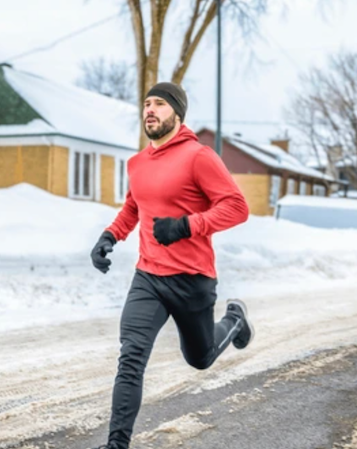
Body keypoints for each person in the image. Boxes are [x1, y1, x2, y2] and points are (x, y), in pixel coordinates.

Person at [89, 82, 254, 449]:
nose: (150, 109)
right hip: (149, 277)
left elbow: (236, 207)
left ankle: (235, 320)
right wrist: (110, 236)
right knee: (131, 356)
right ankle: (117, 444)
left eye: (160, 104)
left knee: (200, 358)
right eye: (147, 103)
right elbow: (134, 207)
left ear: (177, 114)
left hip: (192, 279)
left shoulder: (199, 156)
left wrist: (185, 226)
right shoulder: (137, 163)